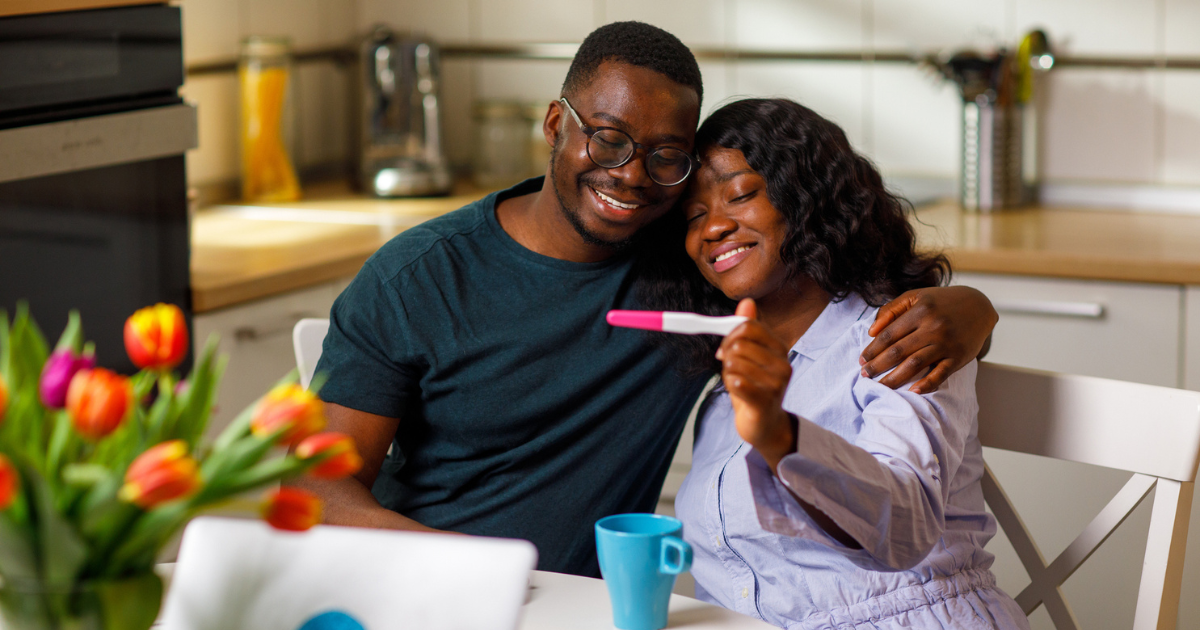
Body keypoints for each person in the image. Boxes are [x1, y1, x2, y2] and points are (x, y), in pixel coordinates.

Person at [296, 22, 999, 577]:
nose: (631, 177)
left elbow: (828, 292)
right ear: (554, 125)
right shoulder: (417, 278)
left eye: (665, 156)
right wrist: (473, 568)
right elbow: (319, 490)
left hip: (594, 609)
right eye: (608, 139)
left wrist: (970, 310)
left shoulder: (688, 268)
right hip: (423, 588)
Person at [638, 98, 1025, 628]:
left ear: (808, 198)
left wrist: (779, 435)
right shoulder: (724, 390)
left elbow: (902, 528)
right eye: (695, 216)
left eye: (741, 195)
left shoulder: (901, 338)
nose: (713, 228)